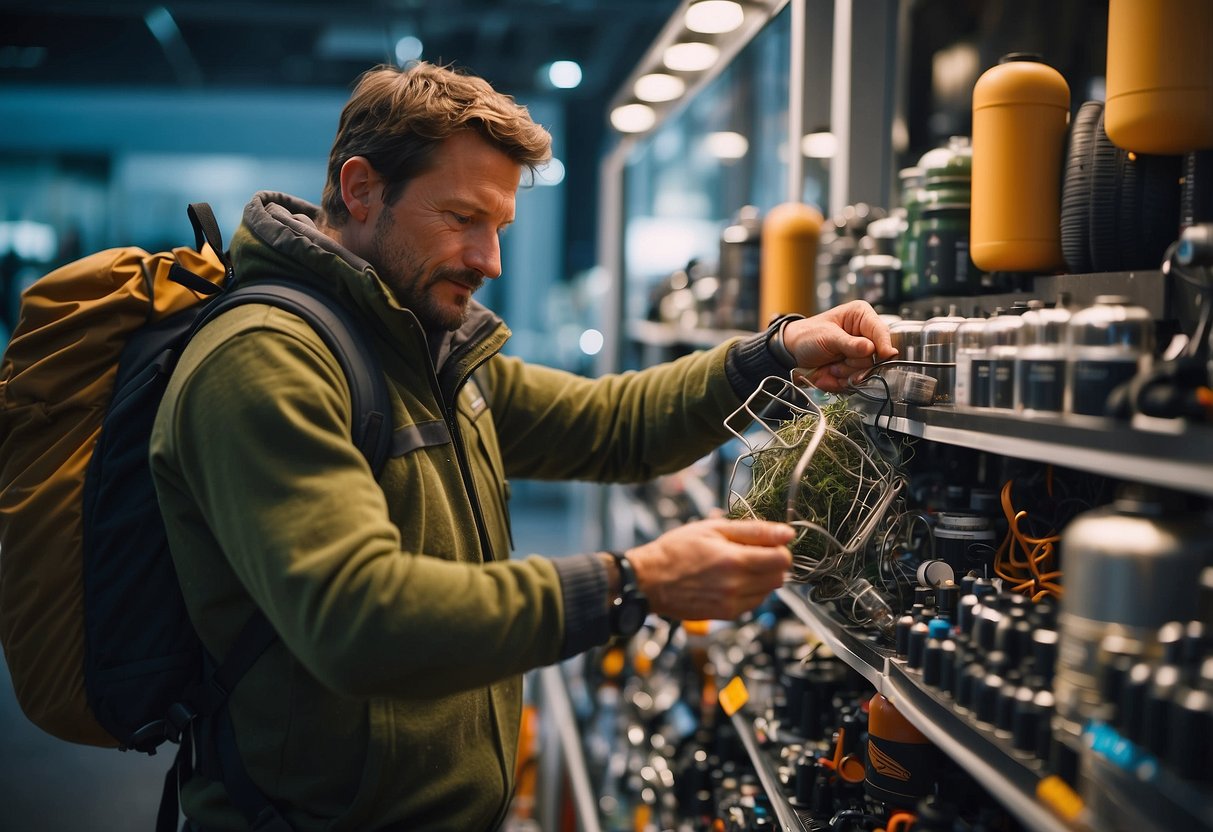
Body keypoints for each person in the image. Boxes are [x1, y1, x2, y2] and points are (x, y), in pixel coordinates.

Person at [149, 61, 897, 831]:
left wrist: (772, 354)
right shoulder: (264, 359)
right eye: (460, 218)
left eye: (498, 228)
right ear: (362, 188)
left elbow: (614, 425)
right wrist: (631, 582)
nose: (488, 260)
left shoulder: (417, 353)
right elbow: (357, 620)